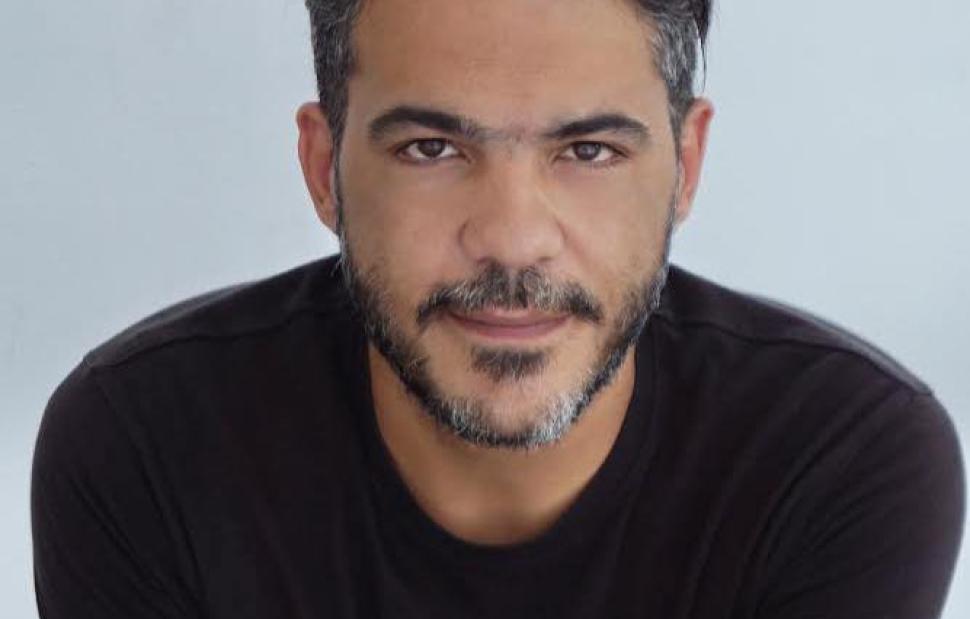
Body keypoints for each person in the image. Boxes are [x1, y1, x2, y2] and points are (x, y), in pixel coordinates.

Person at [31, 0, 964, 617]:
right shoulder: (145, 449)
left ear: (686, 164)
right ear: (324, 168)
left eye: (589, 151)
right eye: (432, 149)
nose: (514, 240)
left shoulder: (838, 462)